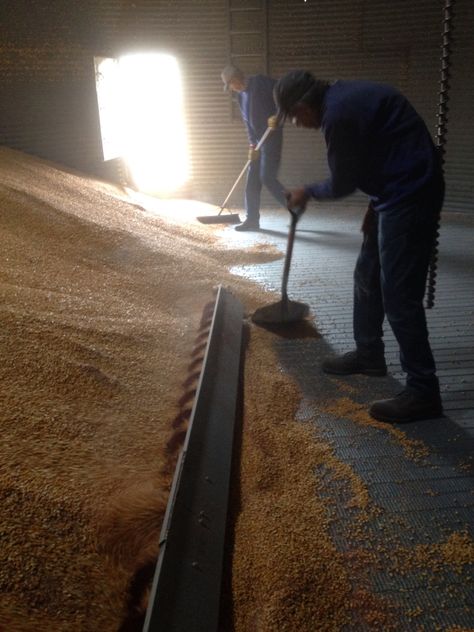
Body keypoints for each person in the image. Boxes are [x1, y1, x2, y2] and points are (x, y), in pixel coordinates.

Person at [274, 70, 444, 424]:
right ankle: (369, 354)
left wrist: (307, 191)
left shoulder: (337, 115)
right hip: (393, 191)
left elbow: (342, 182)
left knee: (399, 296)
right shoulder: (342, 99)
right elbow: (380, 151)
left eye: (293, 116)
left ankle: (423, 392)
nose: (297, 123)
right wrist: (375, 203)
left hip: (410, 196)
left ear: (304, 105)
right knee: (366, 275)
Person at [221, 64, 287, 231]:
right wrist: (252, 144)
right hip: (258, 142)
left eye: (230, 85)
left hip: (272, 137)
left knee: (267, 177)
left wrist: (278, 115)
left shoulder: (260, 82)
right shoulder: (241, 97)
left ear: (235, 79)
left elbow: (283, 92)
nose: (231, 89)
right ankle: (252, 220)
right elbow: (248, 124)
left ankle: (294, 206)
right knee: (252, 180)